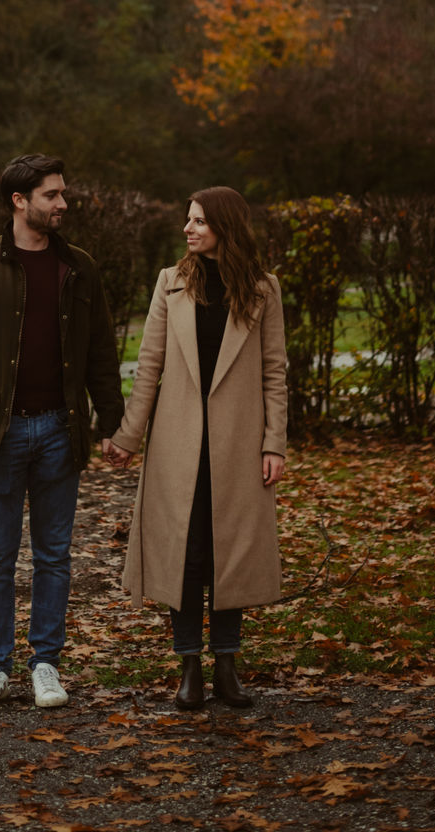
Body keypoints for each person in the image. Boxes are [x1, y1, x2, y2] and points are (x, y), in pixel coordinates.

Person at [0, 154, 125, 710]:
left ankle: (46, 664)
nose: (63, 203)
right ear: (19, 201)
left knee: (54, 555)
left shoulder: (79, 267)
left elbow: (101, 353)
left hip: (60, 431)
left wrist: (111, 423)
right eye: (51, 194)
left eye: (62, 193)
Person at [107, 186, 287, 710]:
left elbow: (274, 371)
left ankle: (227, 667)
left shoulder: (262, 288)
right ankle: (189, 667)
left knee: (229, 555)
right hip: (176, 446)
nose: (188, 229)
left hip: (239, 446)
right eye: (188, 220)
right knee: (183, 554)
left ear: (225, 227)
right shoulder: (171, 283)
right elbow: (149, 367)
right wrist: (128, 437)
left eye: (199, 221)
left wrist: (274, 443)